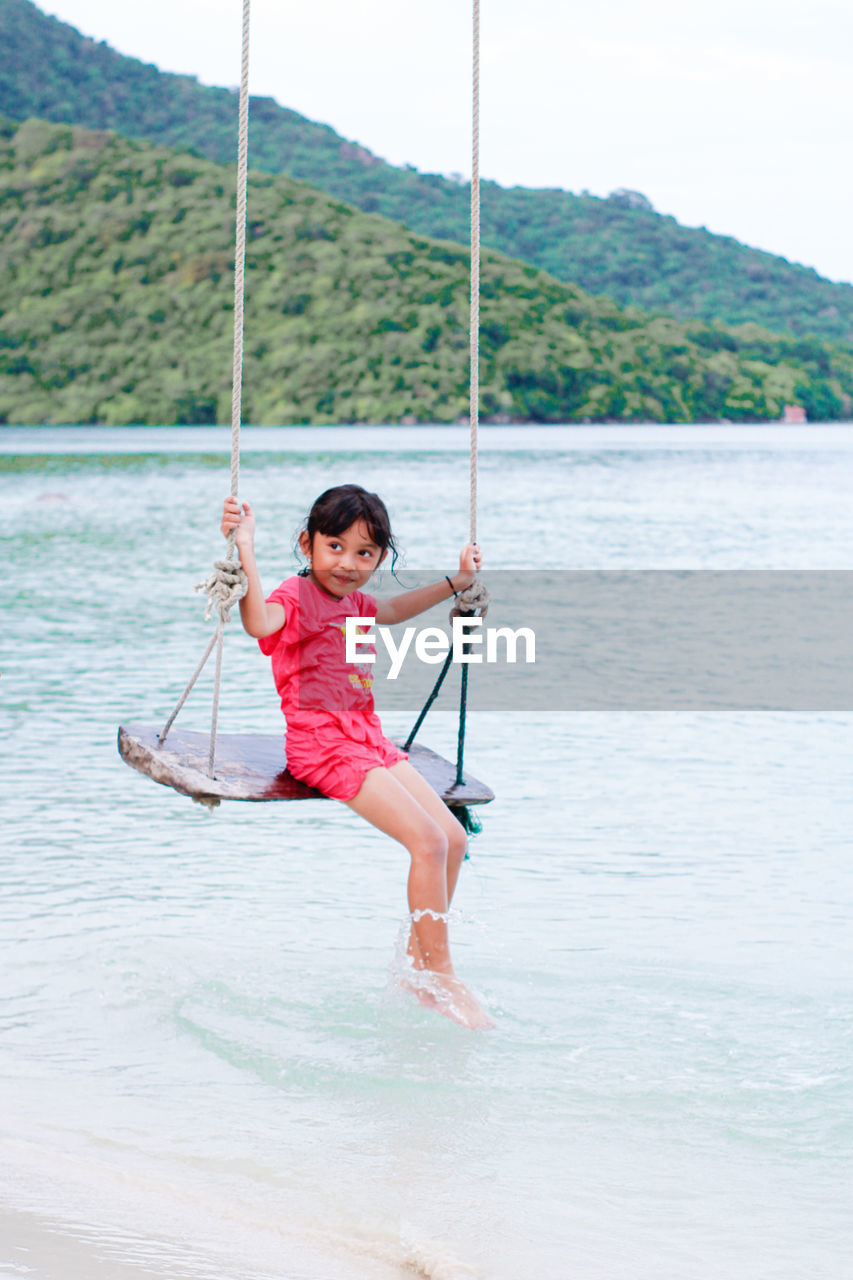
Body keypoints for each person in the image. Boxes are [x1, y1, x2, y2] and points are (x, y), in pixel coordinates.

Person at [221, 484, 493, 1030]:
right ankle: (441, 976)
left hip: (367, 738)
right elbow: (258, 624)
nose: (348, 564)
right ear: (308, 543)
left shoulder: (354, 602)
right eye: (336, 547)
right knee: (428, 840)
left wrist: (456, 583)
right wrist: (243, 546)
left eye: (365, 553)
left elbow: (390, 609)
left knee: (454, 839)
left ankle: (418, 967)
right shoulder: (295, 599)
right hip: (320, 745)